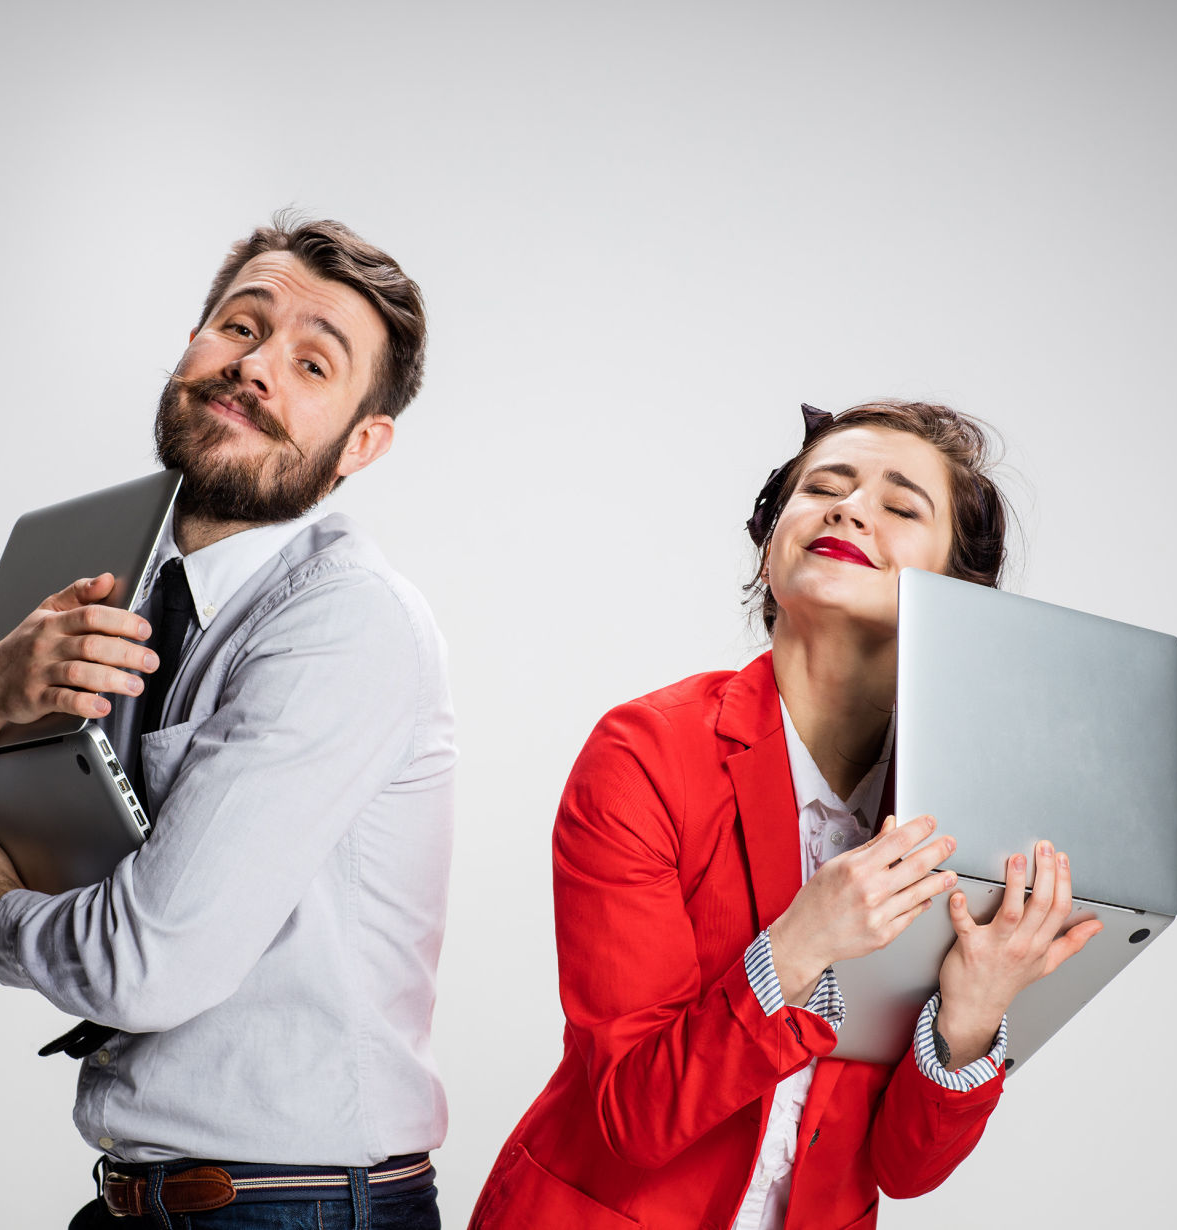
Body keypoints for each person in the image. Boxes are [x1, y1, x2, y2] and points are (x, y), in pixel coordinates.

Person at [0, 214, 453, 1229]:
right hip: (134, 1203)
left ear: (361, 444)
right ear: (190, 349)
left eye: (311, 363)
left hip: (296, 1211)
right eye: (238, 327)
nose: (254, 369)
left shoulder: (346, 623)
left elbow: (145, 965)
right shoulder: (96, 567)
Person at [468, 401, 1104, 1230]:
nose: (847, 508)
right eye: (822, 489)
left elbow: (904, 1171)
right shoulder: (646, 754)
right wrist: (802, 943)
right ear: (770, 544)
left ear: (957, 593)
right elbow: (634, 1114)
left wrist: (972, 1014)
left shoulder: (971, 810)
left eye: (901, 505)